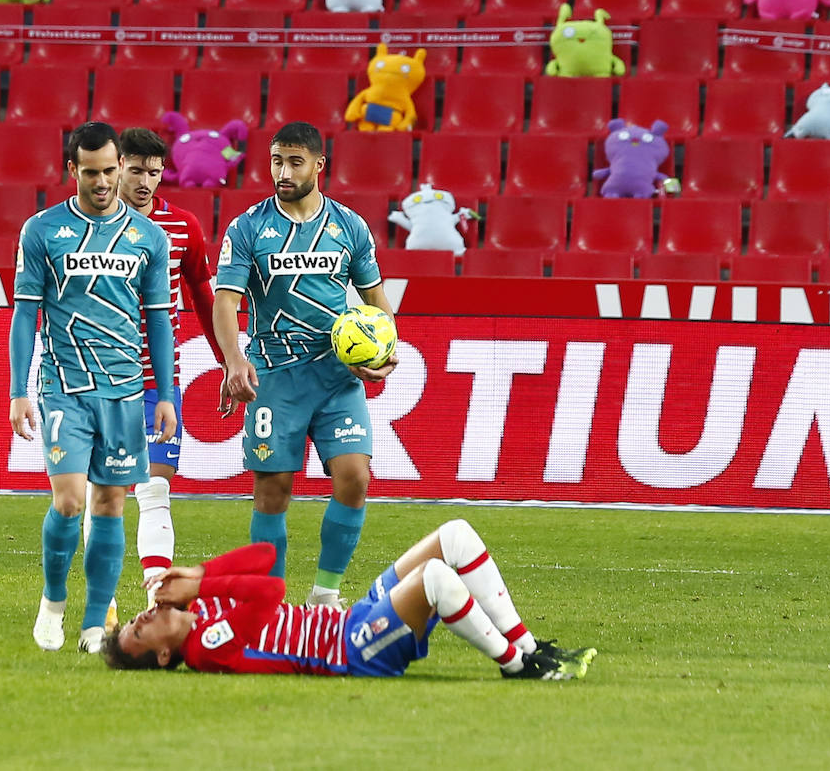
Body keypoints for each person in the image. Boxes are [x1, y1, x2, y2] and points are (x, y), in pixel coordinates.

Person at [211, 121, 398, 608]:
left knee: (355, 476)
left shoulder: (349, 226)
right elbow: (226, 302)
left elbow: (375, 299)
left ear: (319, 165)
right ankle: (269, 602)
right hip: (273, 377)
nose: (283, 171)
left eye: (295, 162)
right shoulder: (248, 227)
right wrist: (234, 362)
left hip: (338, 377)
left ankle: (325, 595)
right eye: (276, 161)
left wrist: (384, 348)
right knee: (273, 490)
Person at [10, 121, 178, 654]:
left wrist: (168, 394)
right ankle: (52, 603)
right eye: (91, 172)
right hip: (64, 387)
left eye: (110, 170)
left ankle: (91, 626)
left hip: (126, 392)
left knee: (109, 504)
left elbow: (158, 322)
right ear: (72, 171)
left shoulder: (149, 238)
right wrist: (18, 390)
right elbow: (25, 316)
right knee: (68, 501)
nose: (103, 181)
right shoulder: (41, 230)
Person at [101, 518, 597, 681]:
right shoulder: (207, 647)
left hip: (352, 620)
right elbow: (271, 589)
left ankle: (531, 647)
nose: (144, 615)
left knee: (456, 535)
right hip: (352, 649)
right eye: (140, 629)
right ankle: (518, 667)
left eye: (136, 619)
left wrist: (199, 573)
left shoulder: (197, 613)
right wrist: (204, 585)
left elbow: (264, 555)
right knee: (437, 579)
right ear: (165, 655)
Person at [83, 127, 225, 624]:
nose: (145, 180)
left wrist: (228, 361)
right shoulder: (84, 224)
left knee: (155, 489)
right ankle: (104, 602)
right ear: (115, 166)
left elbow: (205, 300)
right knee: (106, 493)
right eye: (135, 169)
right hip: (96, 381)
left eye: (153, 171)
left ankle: (156, 601)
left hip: (156, 385)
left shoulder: (183, 227)